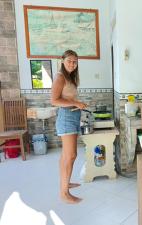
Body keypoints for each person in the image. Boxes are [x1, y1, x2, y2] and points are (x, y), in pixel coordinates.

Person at [51, 50, 87, 204]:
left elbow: (67, 97)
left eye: (75, 62)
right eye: (69, 61)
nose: (72, 64)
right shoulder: (60, 77)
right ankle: (64, 193)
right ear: (63, 61)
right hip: (66, 118)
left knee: (66, 155)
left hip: (72, 116)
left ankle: (65, 184)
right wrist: (75, 103)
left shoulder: (69, 77)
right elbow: (54, 100)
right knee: (70, 155)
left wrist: (77, 103)